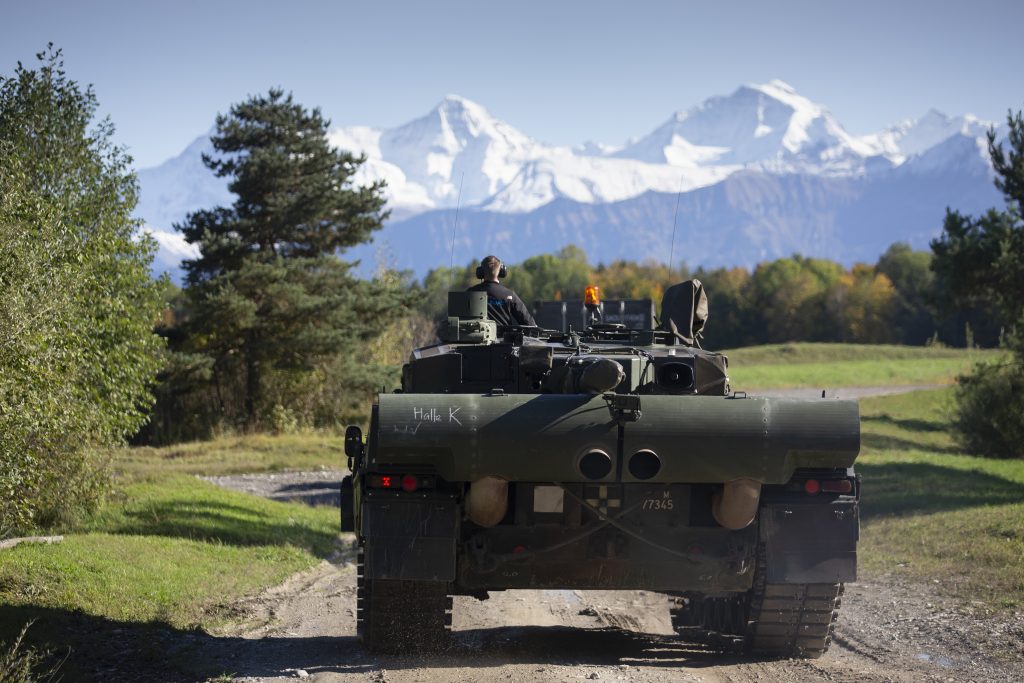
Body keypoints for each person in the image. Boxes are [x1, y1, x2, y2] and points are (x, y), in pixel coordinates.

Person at [467, 255, 537, 328]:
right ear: (501, 272)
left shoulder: (470, 293)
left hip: (477, 339)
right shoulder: (510, 295)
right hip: (504, 339)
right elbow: (529, 323)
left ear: (480, 272)